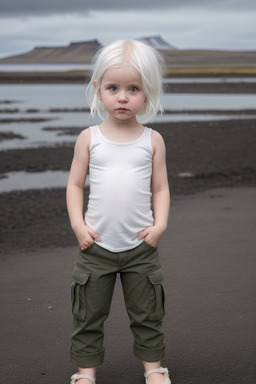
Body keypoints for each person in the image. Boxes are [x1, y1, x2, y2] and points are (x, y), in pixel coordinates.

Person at [66, 39, 171, 384]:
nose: (123, 97)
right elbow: (75, 186)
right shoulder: (89, 138)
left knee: (148, 314)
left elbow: (160, 188)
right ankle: (85, 373)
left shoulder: (152, 140)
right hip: (95, 247)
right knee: (88, 314)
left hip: (141, 248)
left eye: (133, 89)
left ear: (147, 92)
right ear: (98, 90)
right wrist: (79, 226)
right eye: (113, 88)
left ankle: (154, 368)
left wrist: (160, 226)